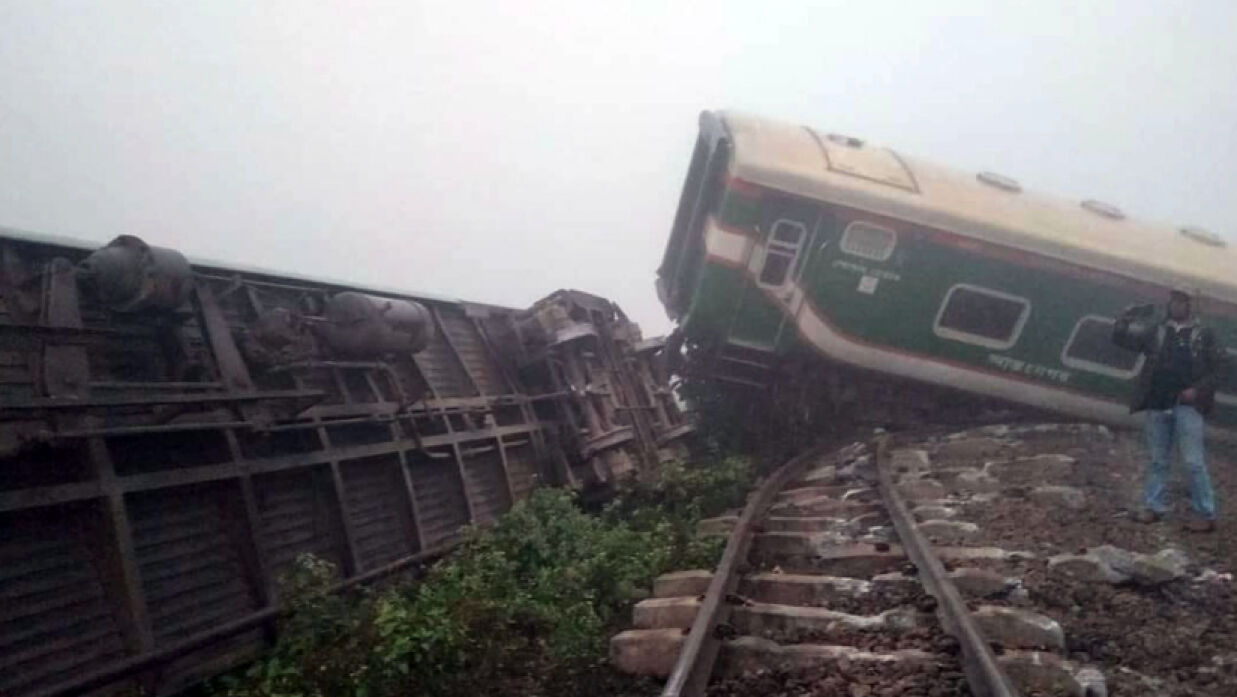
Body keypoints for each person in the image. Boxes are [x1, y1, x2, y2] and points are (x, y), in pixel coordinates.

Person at [1112, 287, 1223, 532]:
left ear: (1191, 306)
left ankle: (1206, 513)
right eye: (1174, 301)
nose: (1176, 305)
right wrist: (1124, 320)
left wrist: (1198, 390)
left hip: (1189, 405)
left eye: (1182, 302)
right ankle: (1153, 507)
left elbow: (1218, 370)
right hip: (1159, 401)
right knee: (1158, 459)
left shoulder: (1205, 334)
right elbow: (1124, 341)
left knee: (1193, 461)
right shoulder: (1157, 330)